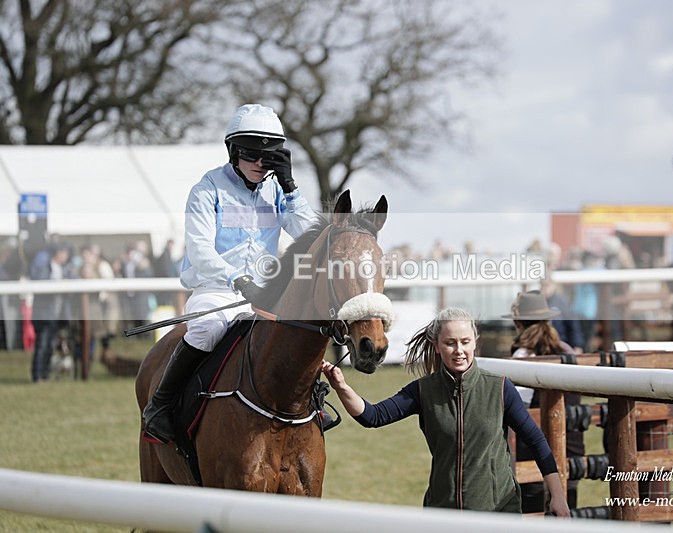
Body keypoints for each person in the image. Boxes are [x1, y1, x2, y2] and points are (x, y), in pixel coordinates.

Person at [142, 103, 317, 444]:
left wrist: (292, 188)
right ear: (233, 150)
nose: (258, 164)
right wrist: (238, 278)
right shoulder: (206, 190)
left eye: (267, 157)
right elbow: (200, 250)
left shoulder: (278, 190)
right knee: (207, 329)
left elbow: (313, 237)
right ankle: (160, 407)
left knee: (297, 333)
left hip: (265, 294)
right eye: (251, 155)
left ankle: (311, 409)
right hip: (217, 289)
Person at [322, 307, 570, 516]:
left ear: (475, 342)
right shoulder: (422, 390)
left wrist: (558, 496)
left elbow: (537, 441)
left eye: (465, 342)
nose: (459, 350)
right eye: (450, 343)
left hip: (498, 513)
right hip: (442, 515)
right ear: (437, 346)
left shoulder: (500, 388)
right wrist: (342, 387)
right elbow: (372, 416)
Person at [503, 290, 586, 512]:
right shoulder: (567, 350)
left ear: (517, 321)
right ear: (549, 319)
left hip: (533, 452)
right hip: (572, 448)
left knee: (533, 512)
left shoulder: (522, 355)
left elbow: (516, 407)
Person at [28, 242, 72, 383]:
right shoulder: (44, 268)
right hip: (43, 315)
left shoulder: (65, 269)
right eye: (64, 252)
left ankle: (45, 374)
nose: (66, 256)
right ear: (57, 253)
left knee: (51, 345)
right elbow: (38, 282)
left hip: (58, 315)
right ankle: (37, 375)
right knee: (41, 345)